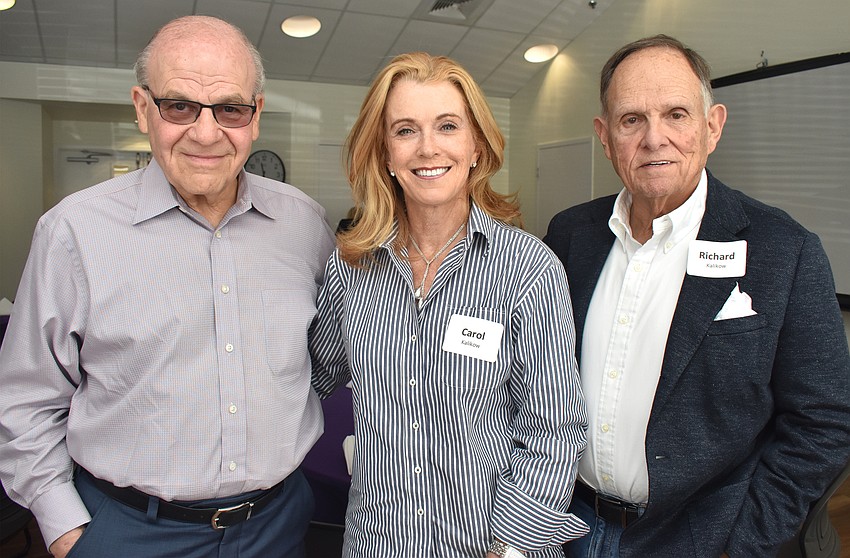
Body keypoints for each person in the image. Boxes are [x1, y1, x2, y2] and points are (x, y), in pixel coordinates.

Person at [0, 15, 335, 558]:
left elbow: (326, 356)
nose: (206, 133)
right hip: (129, 532)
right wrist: (67, 531)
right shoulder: (73, 232)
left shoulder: (304, 224)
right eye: (179, 106)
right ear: (142, 108)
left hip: (276, 526)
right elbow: (25, 398)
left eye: (230, 108)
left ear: (255, 115)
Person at [543, 34, 850, 557]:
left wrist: (740, 544)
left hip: (699, 539)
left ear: (712, 127)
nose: (654, 138)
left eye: (676, 114)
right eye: (631, 119)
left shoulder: (784, 251)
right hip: (567, 526)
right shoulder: (571, 235)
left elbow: (823, 420)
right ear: (605, 136)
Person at [309, 52, 589, 558]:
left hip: (489, 546)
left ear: (476, 145)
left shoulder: (528, 269)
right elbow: (311, 378)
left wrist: (509, 547)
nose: (428, 148)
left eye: (447, 126)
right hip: (377, 543)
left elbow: (556, 427)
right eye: (405, 130)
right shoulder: (350, 269)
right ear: (386, 154)